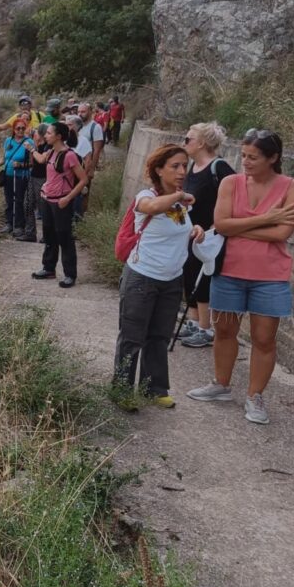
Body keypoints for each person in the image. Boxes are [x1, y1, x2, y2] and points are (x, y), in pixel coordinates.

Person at [188, 129, 294, 425]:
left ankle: (255, 395)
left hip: (270, 276)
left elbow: (282, 233)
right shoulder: (230, 182)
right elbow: (221, 224)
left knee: (264, 339)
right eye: (244, 155)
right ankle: (221, 384)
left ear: (273, 158)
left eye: (253, 157)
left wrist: (239, 227)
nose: (245, 162)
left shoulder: (289, 187)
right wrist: (268, 218)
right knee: (224, 332)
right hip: (229, 271)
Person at [113, 144, 206, 410]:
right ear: (158, 169)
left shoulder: (180, 204)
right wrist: (181, 195)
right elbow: (152, 207)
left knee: (159, 336)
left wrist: (195, 229)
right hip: (142, 278)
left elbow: (177, 228)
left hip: (171, 280)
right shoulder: (147, 195)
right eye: (174, 166)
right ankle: (121, 390)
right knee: (132, 336)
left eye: (184, 166)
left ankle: (154, 388)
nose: (181, 171)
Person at [177, 122, 235, 348]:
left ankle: (205, 328)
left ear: (201, 143)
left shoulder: (218, 167)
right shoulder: (193, 167)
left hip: (210, 236)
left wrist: (216, 226)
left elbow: (236, 193)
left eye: (188, 139)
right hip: (192, 233)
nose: (185, 142)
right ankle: (193, 323)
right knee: (190, 273)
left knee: (204, 279)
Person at [30, 122, 87, 288]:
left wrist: (68, 198)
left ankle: (70, 274)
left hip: (62, 202)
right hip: (47, 200)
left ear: (58, 136)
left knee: (64, 237)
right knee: (49, 235)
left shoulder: (69, 155)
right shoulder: (50, 152)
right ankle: (48, 268)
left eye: (48, 133)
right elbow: (41, 161)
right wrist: (31, 149)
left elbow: (83, 180)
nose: (45, 135)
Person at [0, 119, 34, 236]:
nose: (21, 130)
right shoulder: (8, 141)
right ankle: (9, 223)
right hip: (8, 175)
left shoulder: (29, 142)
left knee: (19, 201)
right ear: (13, 129)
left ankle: (19, 226)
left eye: (23, 128)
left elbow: (32, 163)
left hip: (21, 176)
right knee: (9, 200)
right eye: (18, 128)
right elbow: (5, 158)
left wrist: (20, 165)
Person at [20, 123, 51, 243]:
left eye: (37, 131)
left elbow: (42, 160)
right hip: (33, 176)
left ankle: (47, 235)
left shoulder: (48, 146)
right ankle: (30, 233)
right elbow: (32, 162)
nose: (35, 133)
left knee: (43, 208)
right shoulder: (38, 145)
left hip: (43, 179)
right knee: (27, 204)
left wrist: (32, 149)